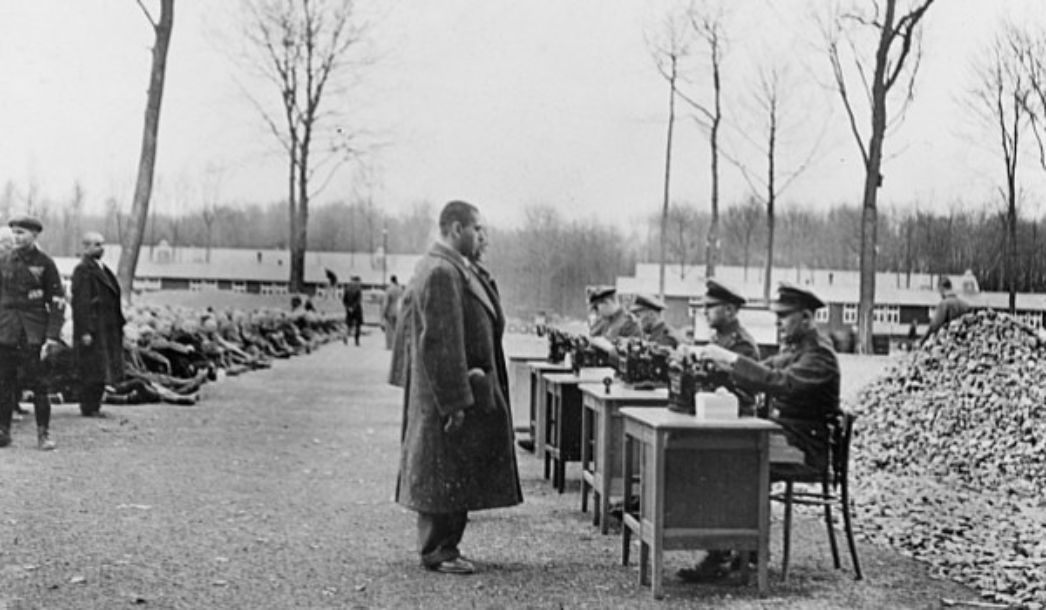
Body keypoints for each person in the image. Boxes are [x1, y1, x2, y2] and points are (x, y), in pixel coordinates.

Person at [393, 200, 522, 575]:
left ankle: (445, 545)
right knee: (442, 469)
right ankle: (438, 549)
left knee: (453, 468)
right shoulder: (441, 272)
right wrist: (454, 403)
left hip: (463, 388)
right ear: (455, 229)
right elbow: (440, 343)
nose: (483, 237)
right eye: (477, 229)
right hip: (449, 395)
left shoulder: (454, 269)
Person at [681, 283, 840, 581]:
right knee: (725, 454)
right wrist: (719, 363)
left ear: (807, 317)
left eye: (784, 316)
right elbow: (764, 370)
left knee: (731, 459)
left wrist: (730, 359)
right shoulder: (798, 348)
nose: (778, 322)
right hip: (787, 437)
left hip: (804, 448)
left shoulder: (819, 355)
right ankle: (741, 550)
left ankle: (734, 552)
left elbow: (779, 382)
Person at [0, 215, 65, 450]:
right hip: (6, 331)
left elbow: (57, 301)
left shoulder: (45, 263)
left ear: (35, 235)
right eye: (14, 233)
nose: (16, 238)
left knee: (39, 384)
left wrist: (52, 336)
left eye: (22, 233)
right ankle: (3, 432)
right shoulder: (4, 260)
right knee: (4, 383)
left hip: (33, 332)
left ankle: (43, 434)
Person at [71, 231, 125, 418]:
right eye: (97, 245)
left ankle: (95, 405)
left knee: (102, 367)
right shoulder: (83, 270)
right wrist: (85, 330)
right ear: (86, 247)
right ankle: (88, 406)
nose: (102, 248)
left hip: (107, 326)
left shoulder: (103, 269)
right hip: (94, 327)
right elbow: (81, 303)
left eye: (102, 244)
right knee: (91, 368)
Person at [923, 277, 971, 342]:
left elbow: (934, 326)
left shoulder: (944, 304)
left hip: (948, 342)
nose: (940, 294)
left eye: (939, 291)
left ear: (941, 288)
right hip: (964, 342)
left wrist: (922, 341)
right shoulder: (965, 305)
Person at [381, 275, 404, 350]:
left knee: (389, 329)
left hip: (390, 312)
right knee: (397, 329)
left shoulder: (389, 290)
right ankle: (397, 345)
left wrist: (383, 313)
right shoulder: (400, 289)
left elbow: (386, 303)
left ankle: (390, 345)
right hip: (398, 311)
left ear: (391, 280)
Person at [342, 275, 363, 346]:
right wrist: (353, 307)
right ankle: (357, 341)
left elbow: (344, 300)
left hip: (348, 309)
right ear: (357, 281)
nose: (360, 283)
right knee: (358, 325)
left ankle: (345, 334)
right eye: (359, 281)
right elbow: (358, 300)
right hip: (357, 309)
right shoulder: (358, 289)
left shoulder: (347, 288)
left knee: (349, 324)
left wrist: (348, 307)